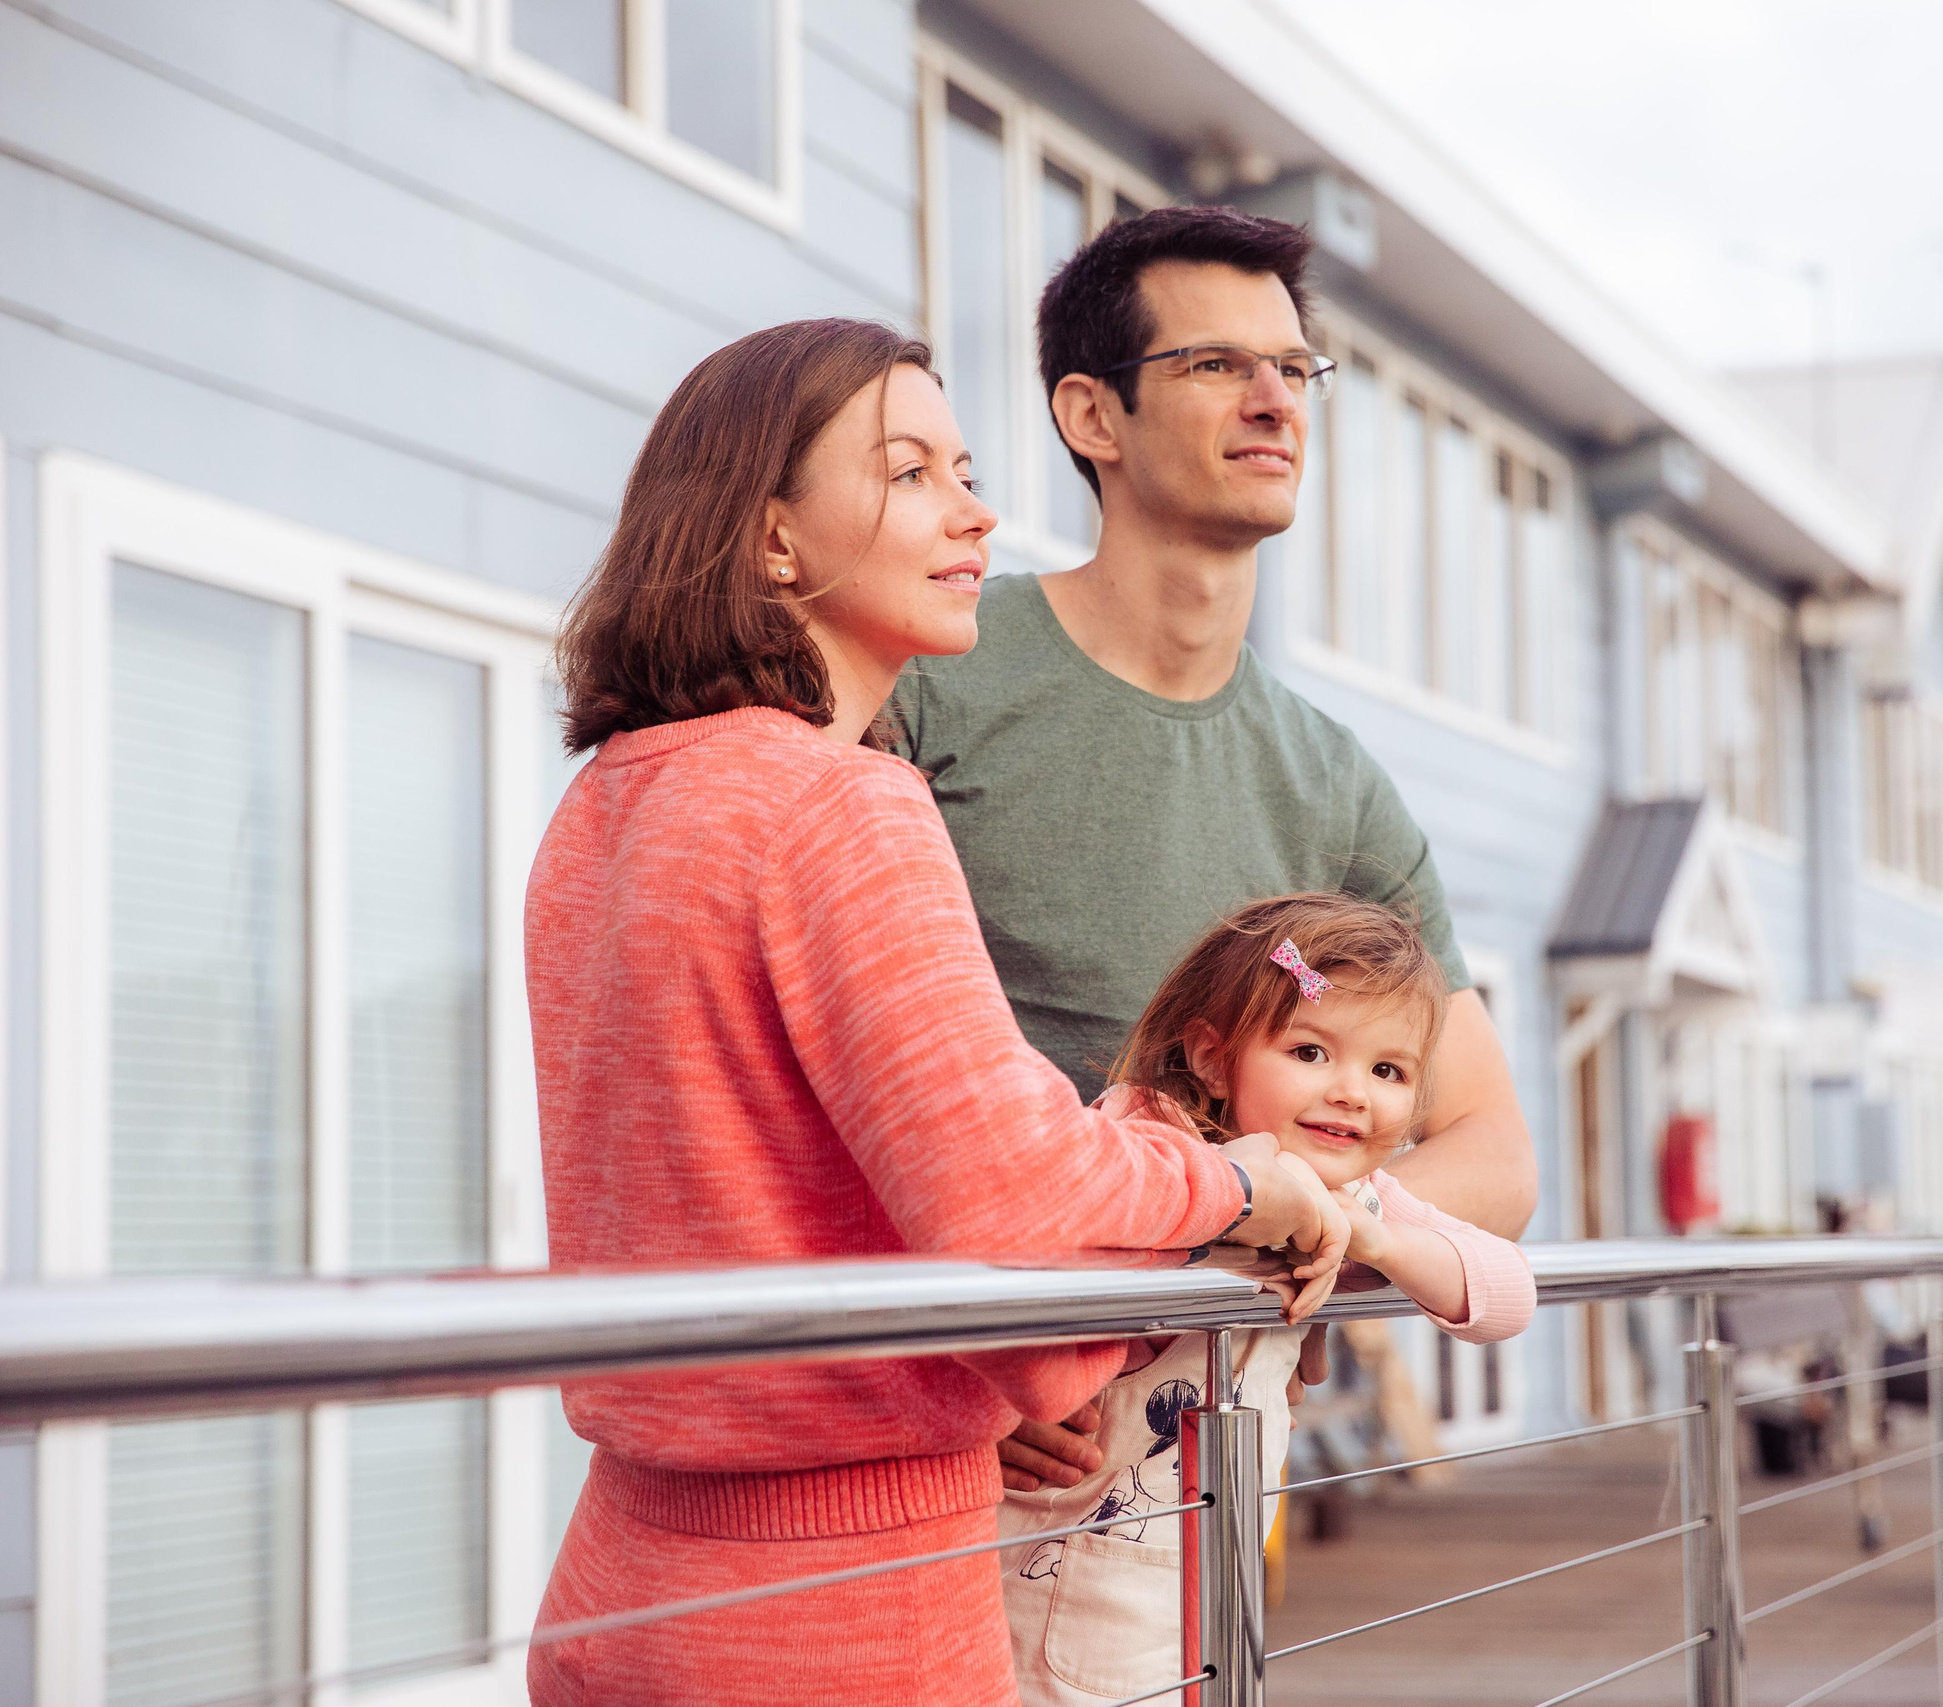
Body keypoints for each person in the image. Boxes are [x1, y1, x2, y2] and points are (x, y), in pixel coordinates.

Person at [523, 317, 1348, 1706]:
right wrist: (1243, 1177)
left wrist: (979, 1384)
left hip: (621, 1579)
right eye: (911, 472)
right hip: (840, 1607)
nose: (976, 510)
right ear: (773, 537)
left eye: (966, 468)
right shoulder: (837, 800)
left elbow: (757, 1187)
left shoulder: (606, 803)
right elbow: (1014, 1191)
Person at [885, 206, 1541, 1493]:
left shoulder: (1333, 783)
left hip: (1209, 1453)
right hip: (959, 1436)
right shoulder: (932, 679)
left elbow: (1493, 1159)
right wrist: (948, 1345)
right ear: (1092, 417)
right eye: (1215, 366)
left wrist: (1284, 1219)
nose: (1273, 401)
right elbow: (809, 1080)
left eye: (1293, 370)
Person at [996, 895, 1535, 1706]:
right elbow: (1054, 1245)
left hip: (1209, 1572)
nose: (1353, 1092)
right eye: (1311, 1050)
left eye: (1388, 1071)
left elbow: (1507, 1296)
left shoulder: (1358, 1198)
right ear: (1214, 1058)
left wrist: (1376, 1242)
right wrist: (1248, 1201)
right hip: (1069, 1570)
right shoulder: (1151, 1142)